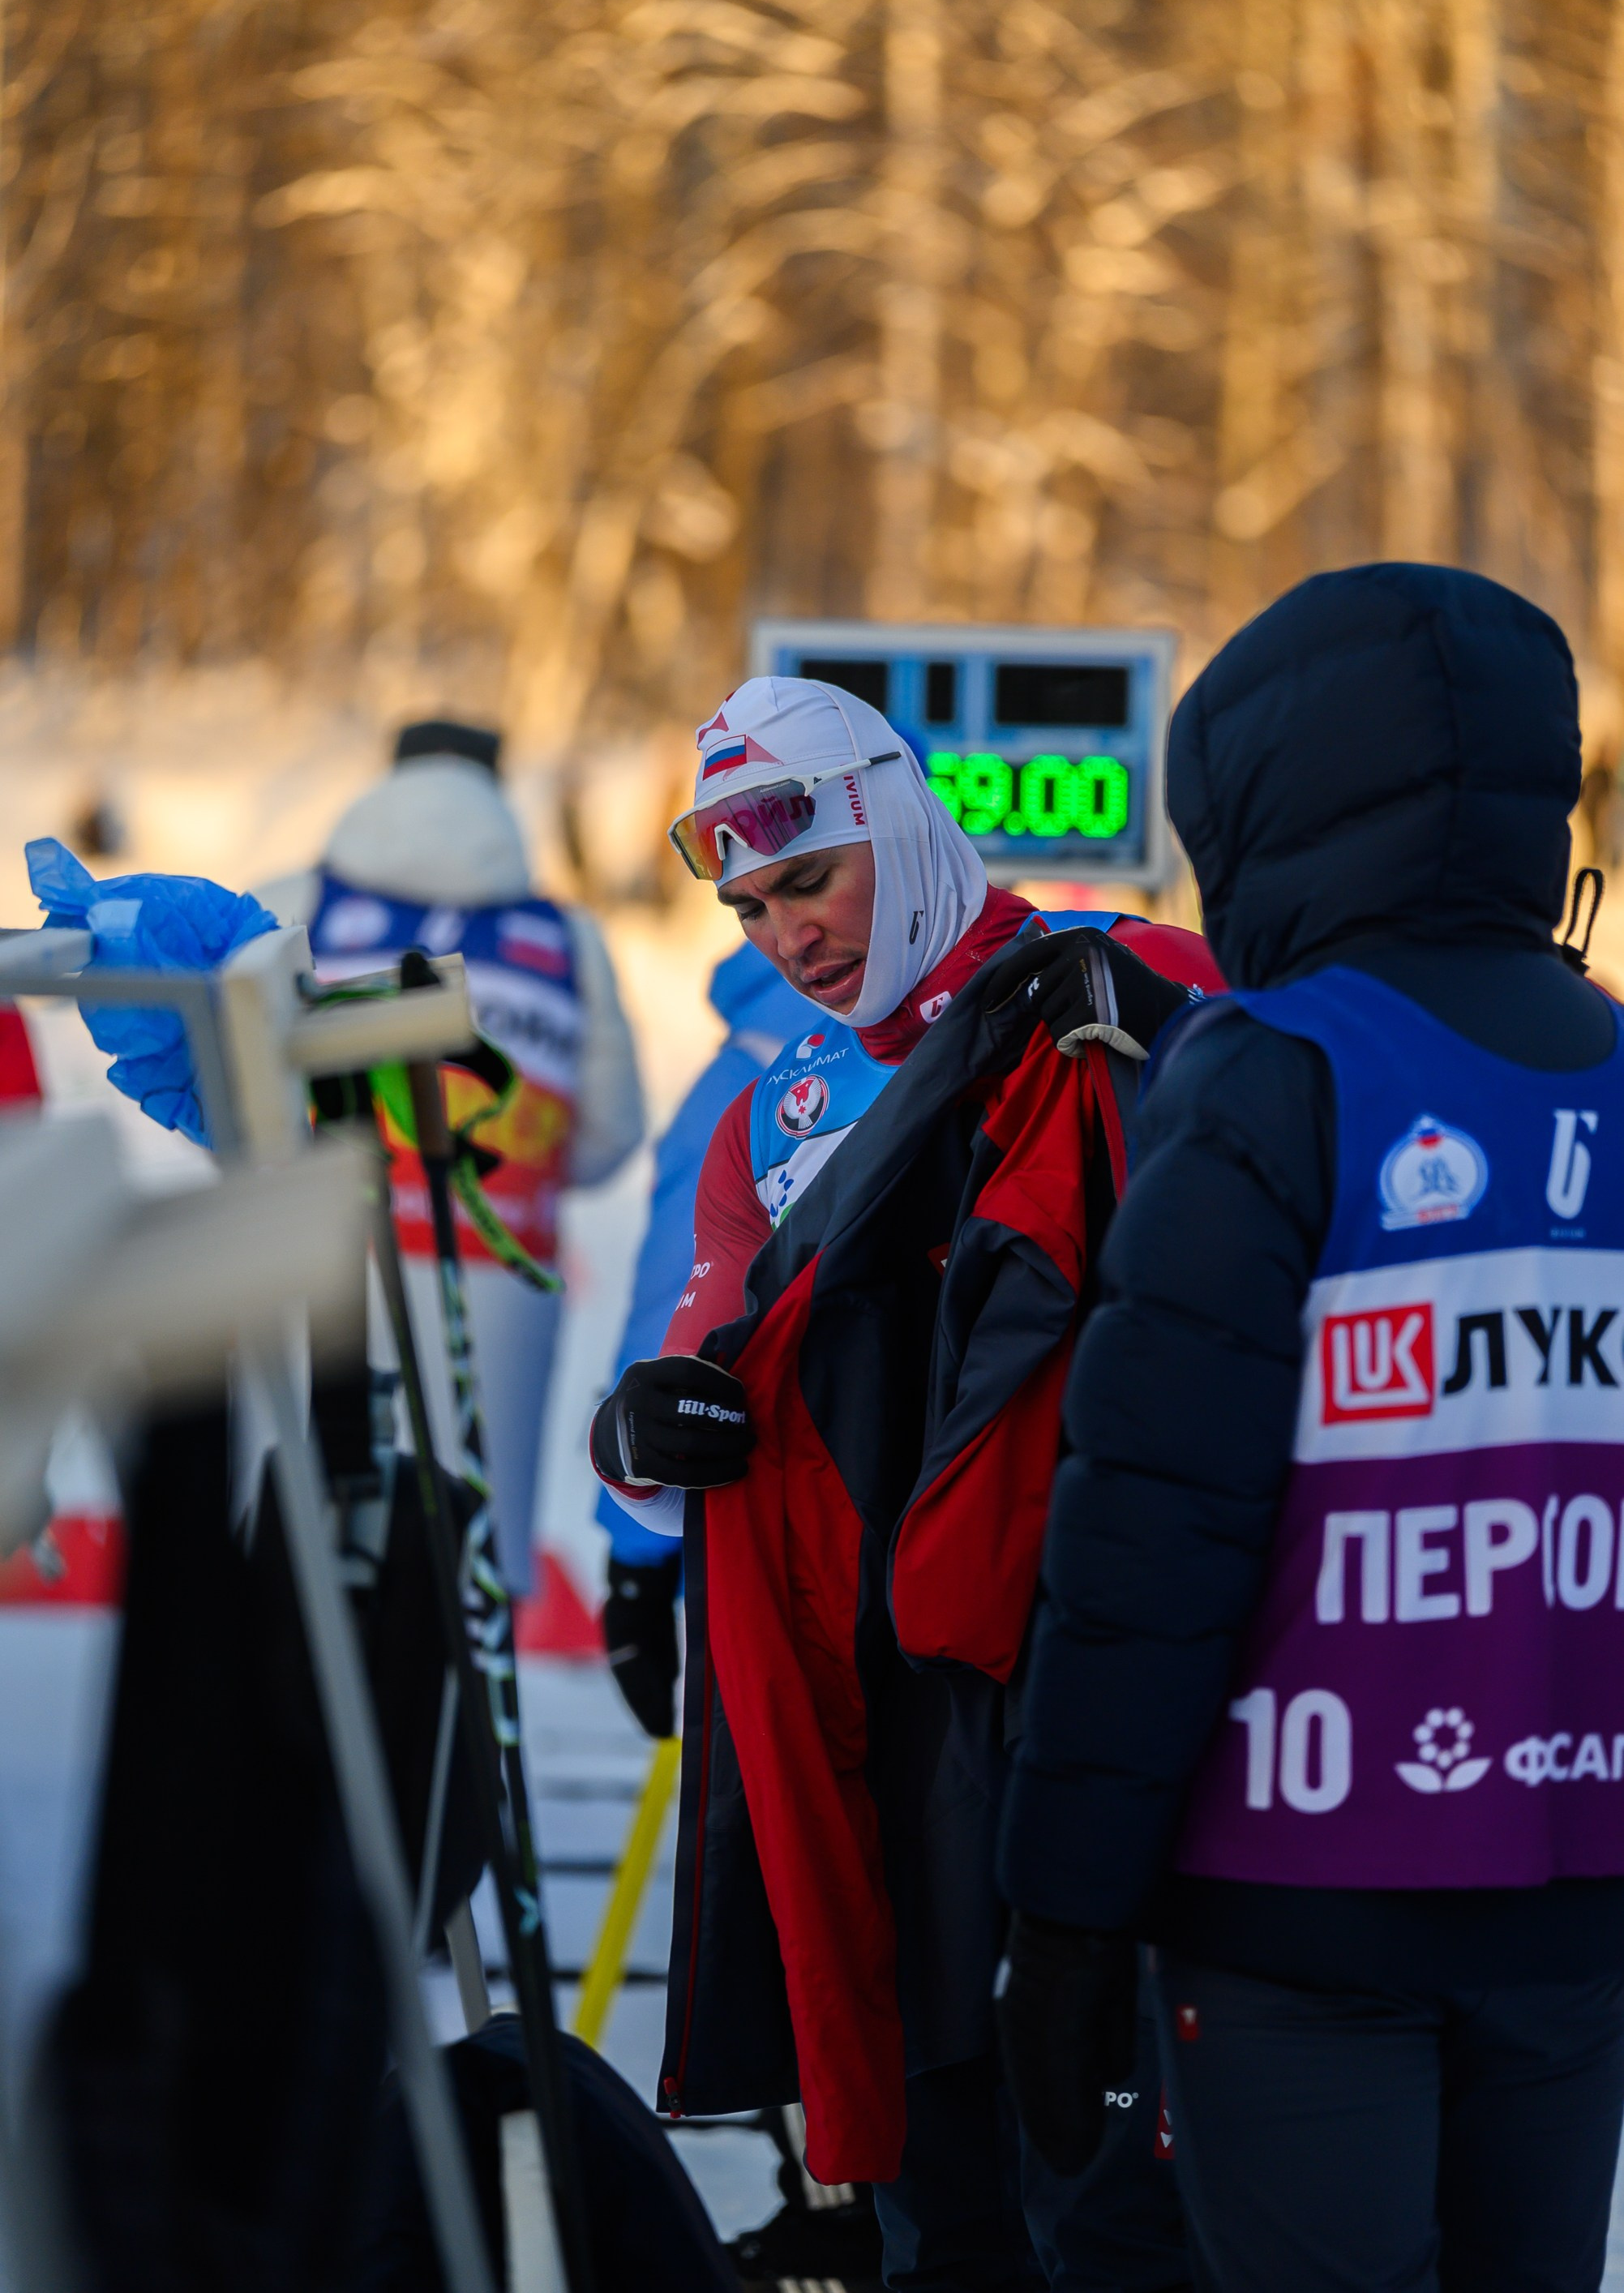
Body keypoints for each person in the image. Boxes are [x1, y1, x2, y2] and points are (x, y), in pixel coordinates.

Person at [996, 562, 1624, 2293]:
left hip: (1291, 1897)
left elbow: (1146, 1539)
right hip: (1567, 1893)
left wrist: (1056, 1913)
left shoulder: (1271, 1065)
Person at [591, 675, 1219, 2293]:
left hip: (1111, 1695)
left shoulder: (1119, 979)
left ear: (897, 817)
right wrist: (640, 1443)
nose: (779, 935)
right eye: (745, 908)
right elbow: (696, 1348)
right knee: (941, 2220)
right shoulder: (772, 1114)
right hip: (887, 1747)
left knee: (1121, 2222)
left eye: (806, 879)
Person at [264, 718, 644, 1598]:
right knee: (471, 1562)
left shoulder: (296, 899)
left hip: (311, 1256)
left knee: (301, 1540)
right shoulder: (565, 935)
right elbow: (609, 1135)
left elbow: (214, 1084)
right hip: (499, 1273)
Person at [597, 941, 808, 1741]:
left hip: (784, 1529)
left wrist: (634, 1561)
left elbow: (671, 1290)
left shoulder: (759, 1074)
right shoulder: (1017, 1021)